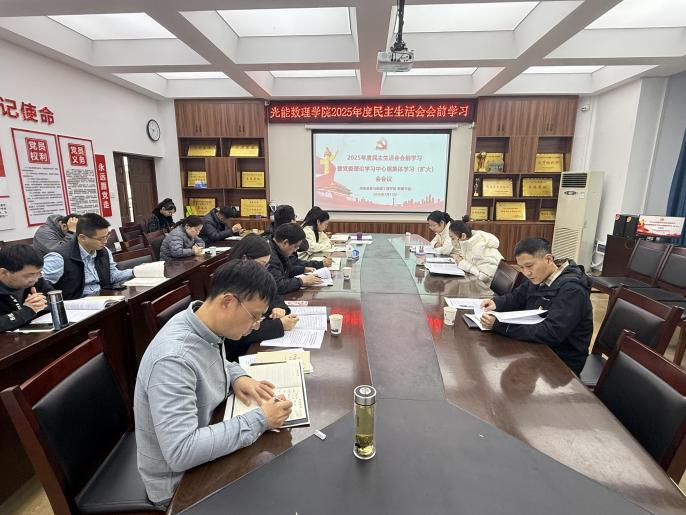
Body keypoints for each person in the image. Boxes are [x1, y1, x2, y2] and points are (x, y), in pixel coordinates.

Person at [134, 260, 293, 506]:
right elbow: (181, 452)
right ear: (227, 301)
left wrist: (238, 375)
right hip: (179, 485)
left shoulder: (201, 322)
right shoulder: (173, 360)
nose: (255, 326)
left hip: (207, 438)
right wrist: (261, 419)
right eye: (254, 317)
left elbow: (213, 360)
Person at [479, 237, 593, 376]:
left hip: (560, 361)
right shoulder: (541, 276)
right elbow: (517, 297)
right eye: (521, 267)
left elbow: (551, 333)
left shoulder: (572, 290)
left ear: (548, 259)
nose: (526, 273)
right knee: (492, 359)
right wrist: (497, 303)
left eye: (529, 266)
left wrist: (501, 326)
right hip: (537, 346)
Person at [222, 234, 299, 361]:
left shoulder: (253, 276)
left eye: (266, 265)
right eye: (261, 264)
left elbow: (274, 296)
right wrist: (280, 325)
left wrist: (278, 308)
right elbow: (236, 335)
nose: (263, 270)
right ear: (245, 258)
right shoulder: (229, 282)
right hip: (237, 354)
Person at [42, 213, 134, 299]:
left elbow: (112, 276)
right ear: (82, 238)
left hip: (103, 298)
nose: (105, 242)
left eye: (107, 236)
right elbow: (41, 285)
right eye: (100, 239)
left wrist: (135, 272)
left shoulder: (104, 251)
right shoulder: (58, 257)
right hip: (76, 304)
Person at [0, 245, 54, 332]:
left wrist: (40, 303)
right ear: (3, 272)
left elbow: (53, 298)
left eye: (39, 273)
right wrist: (27, 311)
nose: (35, 279)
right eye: (29, 275)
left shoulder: (36, 280)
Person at [264, 205, 332, 271]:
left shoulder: (271, 234)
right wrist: (319, 264)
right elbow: (305, 248)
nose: (296, 249)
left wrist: (304, 269)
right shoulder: (277, 241)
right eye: (295, 217)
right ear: (292, 221)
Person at [267, 223, 323, 294]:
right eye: (296, 246)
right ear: (285, 242)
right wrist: (301, 281)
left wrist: (303, 269)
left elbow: (286, 270)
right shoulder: (269, 256)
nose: (296, 250)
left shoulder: (278, 248)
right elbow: (278, 286)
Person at [449, 216, 504, 283]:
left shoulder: (480, 248)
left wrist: (462, 263)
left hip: (488, 287)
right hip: (476, 283)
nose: (451, 241)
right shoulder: (468, 244)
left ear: (463, 236)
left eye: (452, 238)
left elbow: (485, 278)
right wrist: (461, 259)